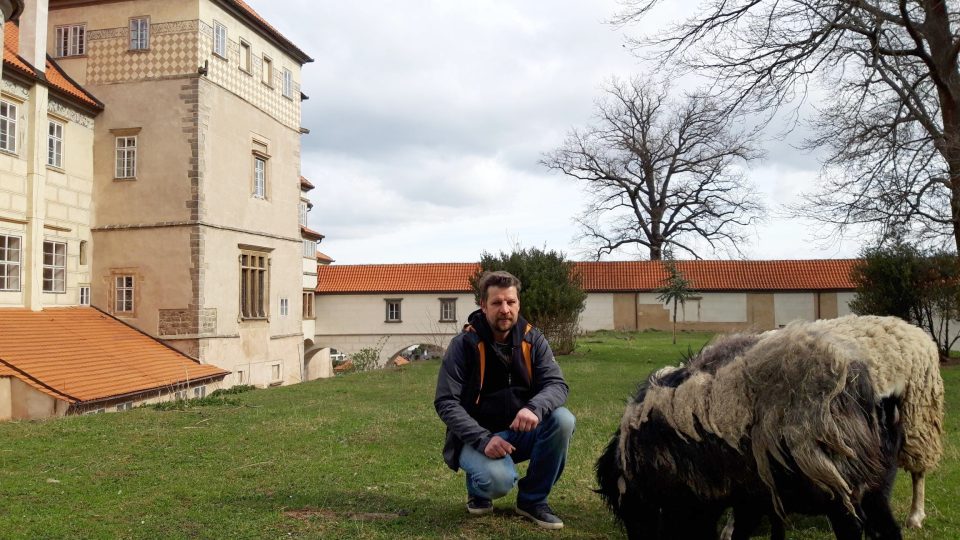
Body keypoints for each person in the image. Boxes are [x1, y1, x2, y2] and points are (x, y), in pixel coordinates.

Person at [434, 270, 575, 530]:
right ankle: (478, 488)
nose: (505, 309)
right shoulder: (463, 345)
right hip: (477, 438)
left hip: (519, 432)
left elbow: (557, 385)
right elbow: (446, 402)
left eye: (510, 302)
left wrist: (534, 408)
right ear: (483, 305)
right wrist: (483, 439)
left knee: (563, 420)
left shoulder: (534, 339)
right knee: (497, 480)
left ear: (518, 304)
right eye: (497, 303)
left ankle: (532, 501)